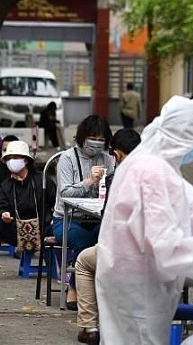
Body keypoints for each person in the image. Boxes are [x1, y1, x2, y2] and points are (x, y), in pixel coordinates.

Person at [96, 96, 193, 344]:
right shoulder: (152, 171)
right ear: (182, 136)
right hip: (137, 288)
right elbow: (166, 246)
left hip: (130, 281)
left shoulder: (150, 164)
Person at [75, 128, 141, 345]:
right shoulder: (160, 173)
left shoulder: (119, 177)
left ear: (118, 155)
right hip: (161, 252)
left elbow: (108, 218)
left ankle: (90, 327)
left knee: (84, 261)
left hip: (127, 253)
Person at [52, 115, 114, 310]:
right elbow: (64, 193)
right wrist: (89, 182)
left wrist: (106, 182)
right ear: (82, 136)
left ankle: (97, 289)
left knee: (108, 239)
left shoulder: (107, 159)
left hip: (96, 219)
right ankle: (74, 289)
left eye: (101, 139)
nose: (96, 143)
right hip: (67, 219)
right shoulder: (67, 158)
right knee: (84, 241)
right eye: (92, 137)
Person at [0, 141, 56, 282]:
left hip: (43, 228)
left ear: (25, 160)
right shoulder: (6, 185)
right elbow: (1, 206)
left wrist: (53, 218)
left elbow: (56, 201)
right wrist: (4, 214)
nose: (12, 161)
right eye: (9, 158)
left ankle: (65, 271)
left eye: (16, 157)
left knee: (61, 228)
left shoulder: (42, 180)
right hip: (17, 230)